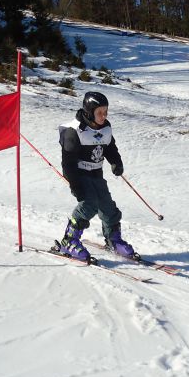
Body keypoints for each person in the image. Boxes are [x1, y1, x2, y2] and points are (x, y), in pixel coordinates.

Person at [58, 91, 135, 260]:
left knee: (107, 206)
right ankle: (69, 240)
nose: (103, 116)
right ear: (88, 112)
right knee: (89, 205)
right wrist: (74, 185)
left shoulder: (105, 128)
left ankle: (113, 239)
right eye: (99, 112)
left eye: (105, 111)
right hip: (80, 175)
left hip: (97, 173)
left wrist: (116, 162)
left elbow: (110, 148)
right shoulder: (75, 131)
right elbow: (68, 163)